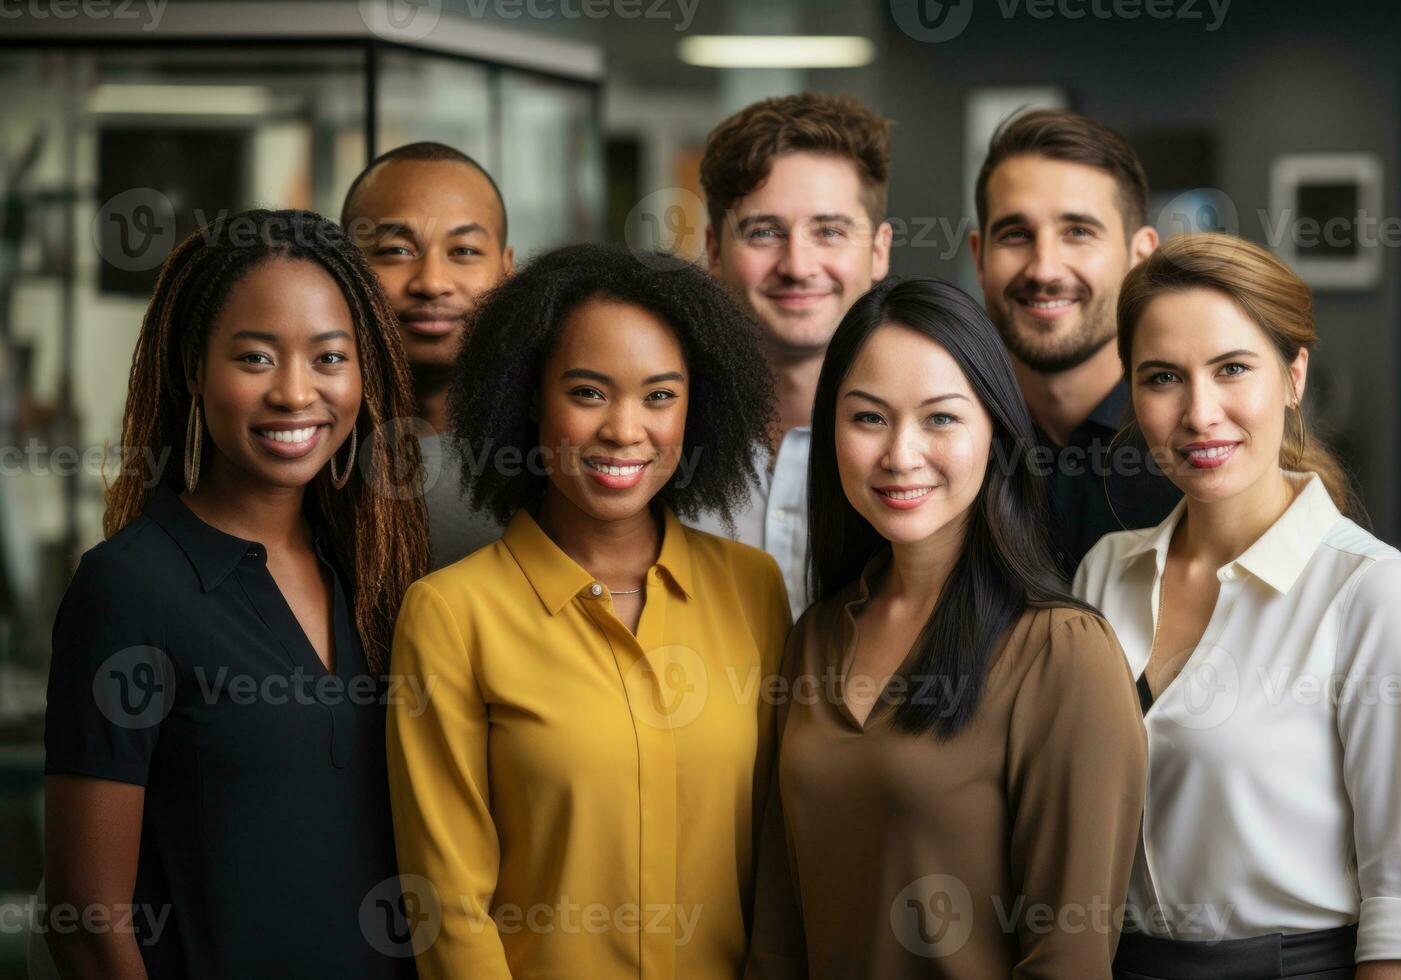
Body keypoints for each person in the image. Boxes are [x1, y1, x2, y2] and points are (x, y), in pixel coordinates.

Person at [387, 243, 792, 979]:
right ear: (527, 398)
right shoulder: (450, 615)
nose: (625, 430)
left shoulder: (753, 589)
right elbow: (448, 907)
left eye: (660, 395)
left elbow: (778, 863)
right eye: (588, 392)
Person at [43, 209, 430, 978]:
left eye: (328, 358)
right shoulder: (131, 587)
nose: (295, 393)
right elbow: (87, 922)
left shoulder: (379, 575)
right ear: (195, 368)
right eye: (254, 359)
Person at [1073, 234, 1401, 979]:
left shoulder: (1373, 595)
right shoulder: (1102, 574)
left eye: (1232, 369)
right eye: (1162, 378)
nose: (1199, 412)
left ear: (1293, 375)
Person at [746, 278, 1146, 978]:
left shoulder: (1062, 655)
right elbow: (779, 939)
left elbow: (1069, 960)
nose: (901, 454)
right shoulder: (815, 637)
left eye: (940, 419)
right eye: (868, 418)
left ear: (995, 430)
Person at [694, 92, 893, 614]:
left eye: (829, 231)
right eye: (764, 232)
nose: (798, 265)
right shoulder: (656, 440)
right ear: (715, 251)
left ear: (878, 251)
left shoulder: (931, 455)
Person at [969, 108, 1179, 577]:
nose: (1044, 269)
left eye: (1078, 232)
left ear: (1140, 255)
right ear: (980, 257)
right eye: (1016, 234)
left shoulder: (1196, 445)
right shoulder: (941, 448)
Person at [343, 141, 515, 567]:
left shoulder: (552, 454)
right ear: (345, 263)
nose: (432, 282)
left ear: (507, 270)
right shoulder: (304, 446)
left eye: (464, 252)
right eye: (396, 251)